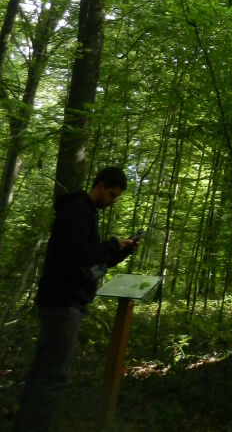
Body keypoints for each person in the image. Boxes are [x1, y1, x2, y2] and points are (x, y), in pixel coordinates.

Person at [15, 166, 140, 431]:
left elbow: (88, 263)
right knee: (53, 375)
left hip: (62, 300)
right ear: (100, 186)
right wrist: (109, 245)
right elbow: (77, 255)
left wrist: (120, 253)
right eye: (113, 195)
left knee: (43, 371)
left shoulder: (83, 211)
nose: (113, 201)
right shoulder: (77, 211)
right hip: (63, 303)